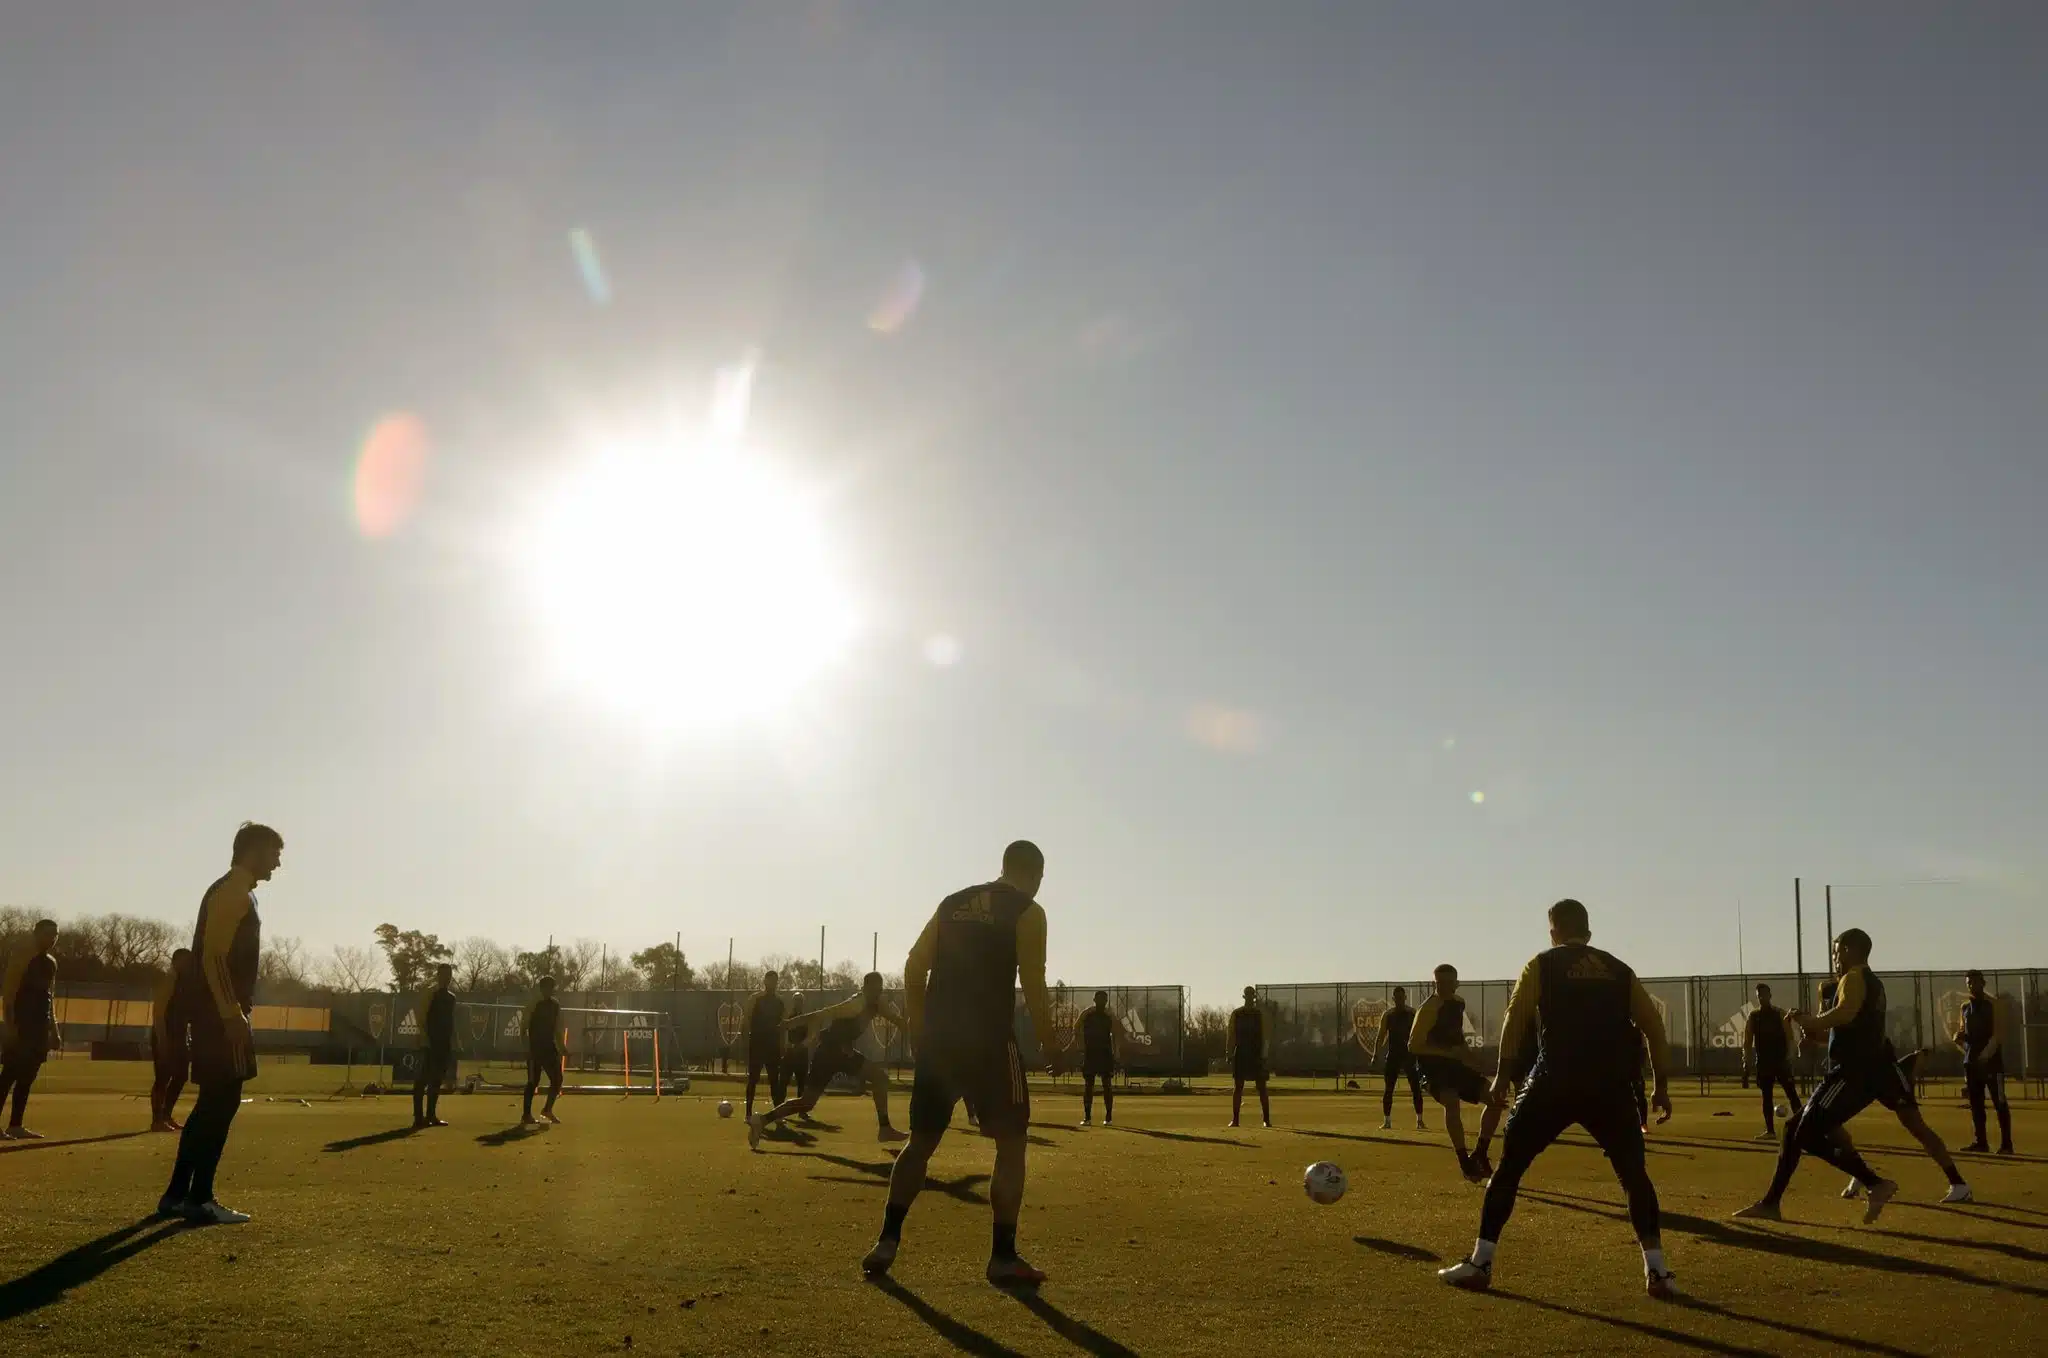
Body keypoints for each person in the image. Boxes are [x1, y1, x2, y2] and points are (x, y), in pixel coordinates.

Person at [1438, 899, 1677, 1297]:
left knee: (1510, 1169)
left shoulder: (1542, 964)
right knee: (1635, 1176)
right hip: (1610, 1087)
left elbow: (1515, 1019)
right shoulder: (1620, 970)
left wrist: (1501, 1075)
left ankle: (1480, 1263)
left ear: (1553, 932)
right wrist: (1661, 1085)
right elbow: (1653, 1027)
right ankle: (1657, 1271)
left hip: (1553, 1081)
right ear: (1589, 930)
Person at [862, 840, 1059, 1287]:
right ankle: (1002, 1257)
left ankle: (888, 1240)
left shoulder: (952, 904)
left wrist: (918, 1029)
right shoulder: (1028, 911)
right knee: (1011, 1144)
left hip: (940, 1041)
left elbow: (914, 966)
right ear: (1036, 873)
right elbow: (1032, 981)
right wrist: (1049, 1042)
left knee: (920, 1143)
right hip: (990, 1040)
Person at [1734, 928, 1902, 1224]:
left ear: (1849, 950)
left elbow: (1844, 1015)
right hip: (1857, 1073)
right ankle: (1770, 1203)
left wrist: (1809, 1019)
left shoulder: (1854, 978)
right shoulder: (1874, 984)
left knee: (1806, 1134)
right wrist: (1812, 1031)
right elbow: (1848, 1027)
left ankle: (1875, 1183)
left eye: (1837, 951)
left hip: (1851, 1074)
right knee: (1793, 1129)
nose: (1835, 958)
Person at [158, 822, 281, 1225]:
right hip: (221, 1015)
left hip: (215, 1012)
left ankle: (177, 1195)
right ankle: (200, 1198)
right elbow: (213, 957)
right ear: (253, 852)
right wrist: (232, 1013)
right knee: (221, 1102)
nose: (278, 863)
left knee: (211, 1103)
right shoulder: (233, 893)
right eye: (274, 853)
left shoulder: (229, 890)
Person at [749, 972, 908, 1146]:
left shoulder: (877, 1003)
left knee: (879, 1079)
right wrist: (790, 1023)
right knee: (807, 1103)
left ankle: (884, 1129)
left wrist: (915, 1028)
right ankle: (762, 1120)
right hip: (828, 1053)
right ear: (865, 988)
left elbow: (897, 1020)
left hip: (843, 1054)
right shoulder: (855, 1004)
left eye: (880, 990)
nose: (877, 994)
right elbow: (820, 1015)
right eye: (874, 990)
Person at [1838, 1042, 1972, 1205]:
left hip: (1884, 1075)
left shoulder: (1859, 1019)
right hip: (1855, 1074)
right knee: (1828, 1122)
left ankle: (1958, 1183)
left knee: (1917, 1128)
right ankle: (1861, 1173)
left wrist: (1809, 1024)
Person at [1411, 964, 1501, 1181]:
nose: (1444, 987)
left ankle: (1480, 1153)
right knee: (1451, 1102)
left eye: (1449, 983)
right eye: (1439, 983)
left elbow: (1458, 1042)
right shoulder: (1428, 1009)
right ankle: (1464, 1162)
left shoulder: (1459, 1004)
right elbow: (1413, 1046)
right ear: (1434, 983)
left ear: (1457, 983)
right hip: (1433, 1068)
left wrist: (1475, 1061)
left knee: (1495, 1099)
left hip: (1455, 1065)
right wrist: (1446, 1053)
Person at [0, 919, 62, 1140]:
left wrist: (54, 1031)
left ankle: (15, 1125)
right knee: (8, 1076)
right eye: (47, 934)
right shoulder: (22, 958)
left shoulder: (51, 963)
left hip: (39, 1029)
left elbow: (50, 997)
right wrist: (10, 1027)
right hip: (20, 1027)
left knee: (27, 1077)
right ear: (36, 934)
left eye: (55, 934)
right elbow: (8, 997)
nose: (52, 939)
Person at [1954, 970, 2014, 1155]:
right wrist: (1959, 1037)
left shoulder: (1993, 1005)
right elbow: (1962, 1031)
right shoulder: (1964, 1008)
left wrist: (1985, 1055)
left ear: (1983, 983)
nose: (1972, 986)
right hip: (1971, 1064)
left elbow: (1998, 1034)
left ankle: (2006, 1145)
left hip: (1992, 1064)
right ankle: (1981, 1143)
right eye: (1968, 983)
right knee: (1976, 1105)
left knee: (1999, 1103)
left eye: (1975, 982)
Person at [1742, 983, 1801, 1141]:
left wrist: (1790, 1055)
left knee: (1792, 1094)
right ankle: (1770, 1131)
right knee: (1766, 1096)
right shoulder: (1753, 1016)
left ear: (1770, 995)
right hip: (1763, 1063)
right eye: (1759, 995)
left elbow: (1789, 1037)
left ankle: (1804, 1128)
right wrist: (1745, 1061)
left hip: (1780, 1061)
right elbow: (1747, 1041)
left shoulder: (1780, 1014)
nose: (1762, 998)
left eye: (1764, 994)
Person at [149, 949, 195, 1132]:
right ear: (175, 961)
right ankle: (156, 1120)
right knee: (162, 1078)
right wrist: (162, 1040)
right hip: (166, 1035)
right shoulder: (169, 980)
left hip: (180, 1036)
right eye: (185, 961)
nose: (188, 965)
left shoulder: (186, 983)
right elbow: (159, 1013)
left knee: (181, 1075)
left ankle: (166, 1115)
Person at [412, 963, 456, 1129]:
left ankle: (431, 1115)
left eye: (449, 975)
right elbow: (422, 1017)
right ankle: (418, 1117)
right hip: (430, 1042)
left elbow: (450, 1022)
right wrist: (423, 1038)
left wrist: (452, 1041)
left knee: (436, 1080)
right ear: (438, 976)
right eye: (444, 975)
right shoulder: (431, 994)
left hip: (443, 1044)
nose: (447, 978)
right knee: (422, 1080)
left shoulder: (451, 997)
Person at [1378, 987, 1425, 1132]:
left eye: (1401, 997)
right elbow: (1381, 1035)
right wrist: (1375, 1054)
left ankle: (1419, 1120)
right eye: (1396, 998)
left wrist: (1420, 1052)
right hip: (1393, 1055)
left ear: (1405, 998)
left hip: (1409, 1055)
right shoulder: (1388, 1015)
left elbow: (1419, 1033)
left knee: (1416, 1089)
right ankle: (1387, 1121)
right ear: (1393, 999)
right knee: (1388, 1089)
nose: (1399, 1000)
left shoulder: (1413, 1013)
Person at [743, 971, 787, 1120]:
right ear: (764, 981)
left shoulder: (780, 1002)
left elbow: (782, 1026)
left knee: (775, 1080)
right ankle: (748, 1113)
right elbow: (747, 1020)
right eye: (769, 980)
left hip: (773, 1046)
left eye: (775, 981)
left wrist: (782, 1045)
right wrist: (747, 1040)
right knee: (753, 1079)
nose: (772, 984)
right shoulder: (755, 999)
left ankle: (778, 1114)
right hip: (756, 1044)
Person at [521, 976, 564, 1125]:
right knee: (533, 1081)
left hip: (549, 1047)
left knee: (557, 1079)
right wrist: (525, 1044)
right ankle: (526, 1115)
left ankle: (547, 1110)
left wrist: (562, 1047)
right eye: (546, 987)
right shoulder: (534, 1003)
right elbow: (524, 1024)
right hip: (535, 1048)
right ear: (541, 988)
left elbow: (557, 1028)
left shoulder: (555, 1005)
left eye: (551, 987)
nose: (549, 990)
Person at [1227, 986, 1271, 1129]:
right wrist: (1229, 1052)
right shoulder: (1237, 1014)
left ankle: (1266, 1119)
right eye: (1248, 996)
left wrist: (1264, 1053)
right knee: (1238, 1086)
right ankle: (1235, 1119)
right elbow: (1231, 1034)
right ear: (1244, 997)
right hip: (1241, 1052)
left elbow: (1265, 1035)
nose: (1250, 999)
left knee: (1262, 1087)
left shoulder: (1259, 1015)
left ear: (1253, 997)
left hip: (1256, 1052)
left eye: (1252, 996)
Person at [1078, 990, 1118, 1126]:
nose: (1101, 1002)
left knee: (1107, 1086)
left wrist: (1116, 1051)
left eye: (1104, 1000)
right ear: (1094, 1000)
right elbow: (1076, 1027)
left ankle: (1108, 1117)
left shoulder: (1109, 1016)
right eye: (1099, 999)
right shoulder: (1087, 1014)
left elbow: (1117, 1031)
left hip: (1105, 1054)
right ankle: (1087, 1117)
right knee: (1089, 1086)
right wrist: (1081, 1047)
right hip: (1090, 1054)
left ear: (1106, 1002)